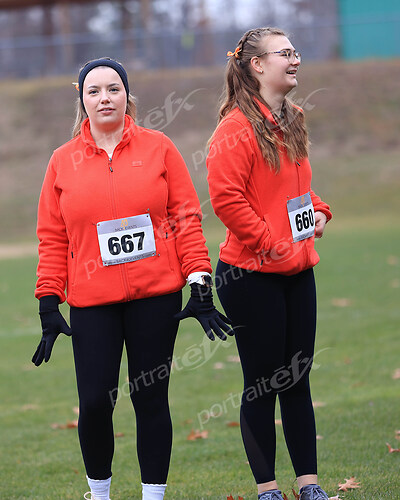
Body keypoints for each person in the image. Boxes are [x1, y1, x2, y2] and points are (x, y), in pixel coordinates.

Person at [32, 57, 233, 500]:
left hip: (155, 298)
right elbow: (52, 236)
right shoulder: (62, 161)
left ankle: (153, 496)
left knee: (151, 399)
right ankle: (100, 493)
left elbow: (186, 218)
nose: (104, 98)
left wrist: (200, 283)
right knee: (95, 403)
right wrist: (49, 300)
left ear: (127, 95)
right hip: (92, 303)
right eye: (94, 91)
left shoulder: (159, 147)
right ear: (82, 101)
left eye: (113, 89)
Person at [206, 28, 332, 500]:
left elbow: (295, 187)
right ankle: (268, 490)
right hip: (250, 276)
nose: (295, 60)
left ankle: (309, 486)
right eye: (285, 53)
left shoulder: (293, 117)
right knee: (261, 384)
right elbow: (227, 200)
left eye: (296, 52)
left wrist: (319, 210)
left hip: (297, 271)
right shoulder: (234, 128)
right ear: (257, 65)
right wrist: (271, 244)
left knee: (297, 379)